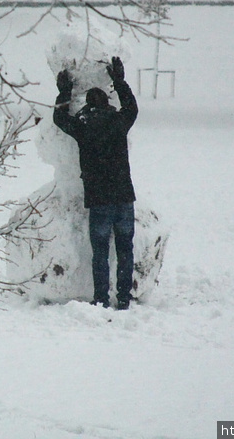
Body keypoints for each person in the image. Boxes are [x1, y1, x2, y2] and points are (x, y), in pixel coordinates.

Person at [53, 57, 138, 310]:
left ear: (88, 105)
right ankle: (123, 297)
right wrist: (120, 81)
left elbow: (59, 118)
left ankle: (101, 298)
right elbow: (132, 108)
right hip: (123, 197)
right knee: (125, 249)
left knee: (100, 252)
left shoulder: (83, 126)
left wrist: (64, 91)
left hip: (99, 199)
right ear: (108, 104)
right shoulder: (118, 123)